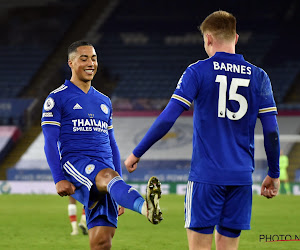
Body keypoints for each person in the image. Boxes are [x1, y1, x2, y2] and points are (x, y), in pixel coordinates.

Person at [124, 10, 280, 250]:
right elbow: (271, 131)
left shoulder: (197, 71)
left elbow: (168, 118)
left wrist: (137, 152)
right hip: (240, 178)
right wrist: (274, 172)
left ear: (208, 39)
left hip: (206, 177)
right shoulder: (259, 77)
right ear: (235, 38)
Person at [41, 40, 162, 250]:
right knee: (107, 175)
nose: (91, 63)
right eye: (84, 58)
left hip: (107, 177)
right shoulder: (57, 98)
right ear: (70, 62)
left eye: (94, 58)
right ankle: (146, 208)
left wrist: (119, 189)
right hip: (77, 164)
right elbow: (50, 142)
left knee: (101, 242)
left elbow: (112, 143)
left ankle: (129, 197)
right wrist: (58, 178)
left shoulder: (104, 101)